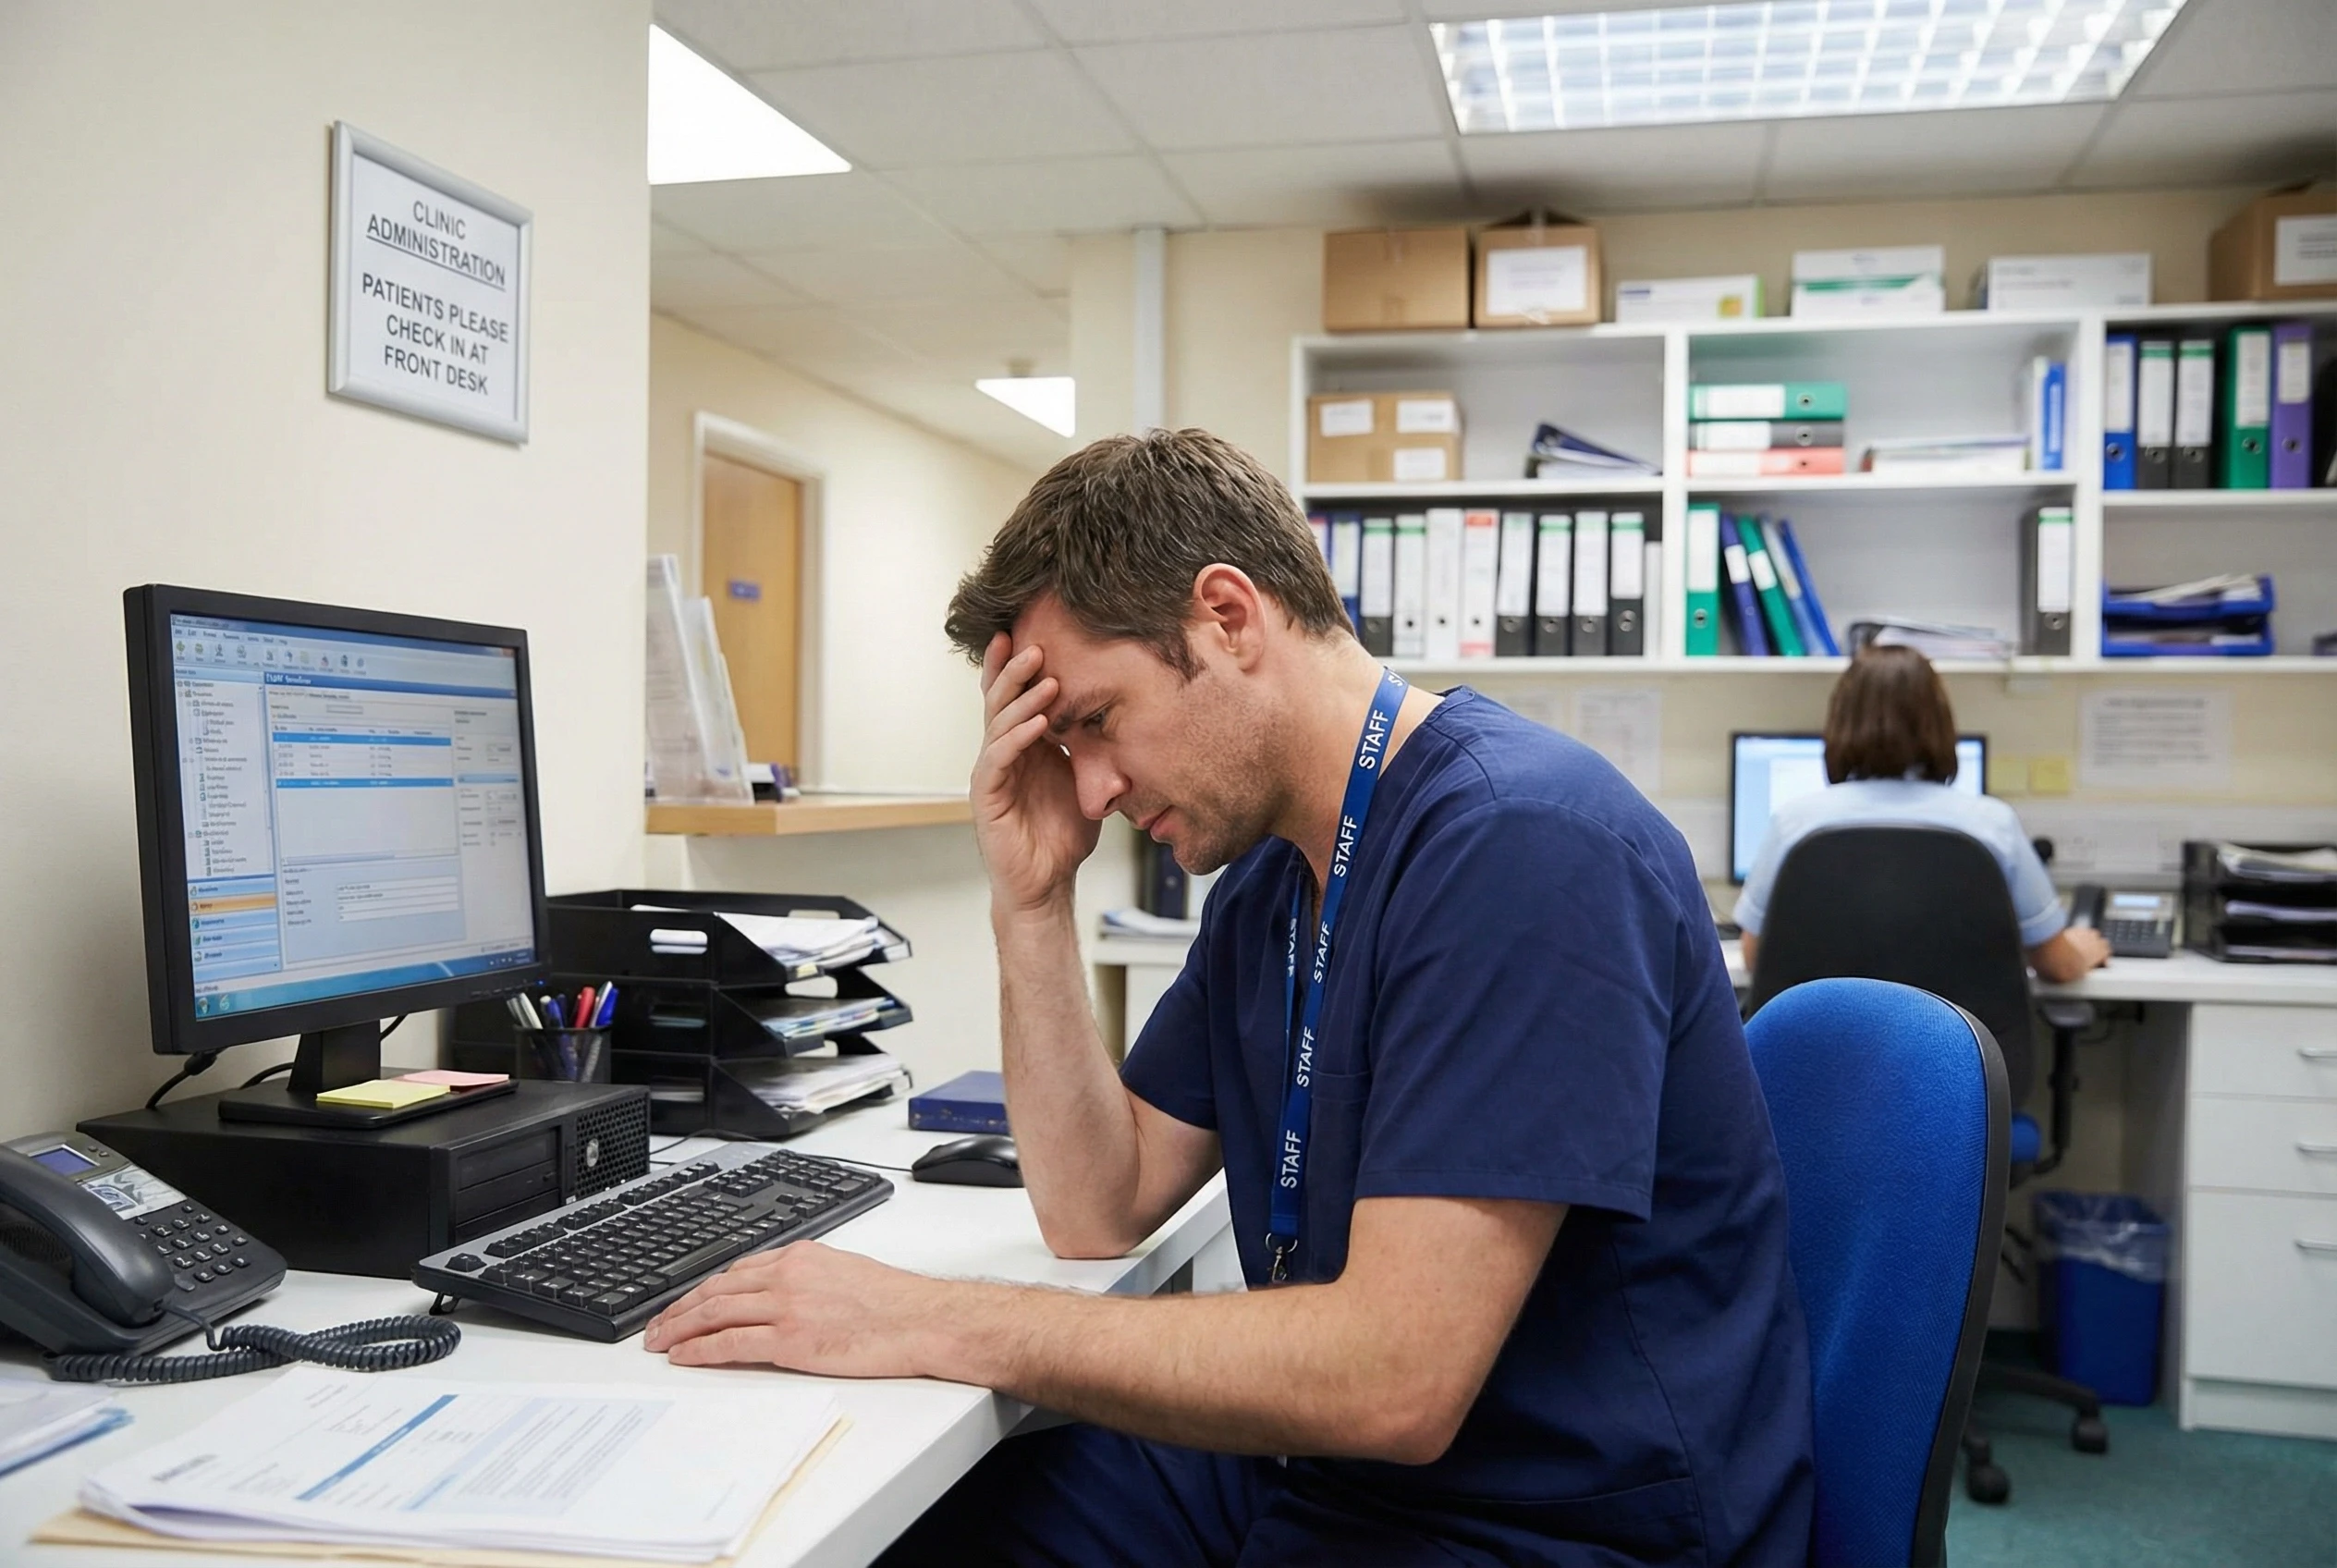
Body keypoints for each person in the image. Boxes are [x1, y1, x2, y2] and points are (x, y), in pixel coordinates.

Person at [642, 429, 1815, 1566]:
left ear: (1226, 616)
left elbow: (1394, 1380)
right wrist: (1031, 906)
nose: (1091, 790)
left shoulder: (1520, 847)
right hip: (1330, 1473)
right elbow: (1098, 1205)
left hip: (1552, 1515)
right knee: (919, 1533)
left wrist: (934, 1317)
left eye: (1095, 722)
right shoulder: (1271, 882)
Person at [1733, 643, 2111, 983]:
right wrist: (2083, 949)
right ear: (1941, 722)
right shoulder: (1991, 825)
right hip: (1958, 1056)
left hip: (1828, 1054)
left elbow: (1755, 958)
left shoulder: (1796, 823)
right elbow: (2056, 966)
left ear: (1839, 722)